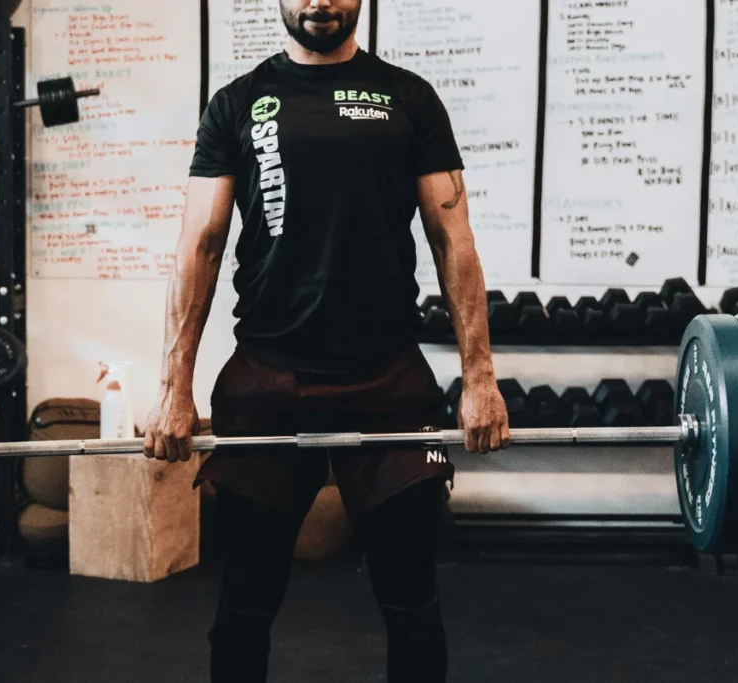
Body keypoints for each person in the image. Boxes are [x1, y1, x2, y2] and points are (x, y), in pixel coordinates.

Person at [144, 0, 510, 680]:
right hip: (267, 378)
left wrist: (479, 378)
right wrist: (175, 388)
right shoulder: (237, 103)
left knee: (412, 603)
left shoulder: (410, 99)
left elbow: (451, 239)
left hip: (389, 382)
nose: (319, 2)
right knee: (245, 606)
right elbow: (200, 243)